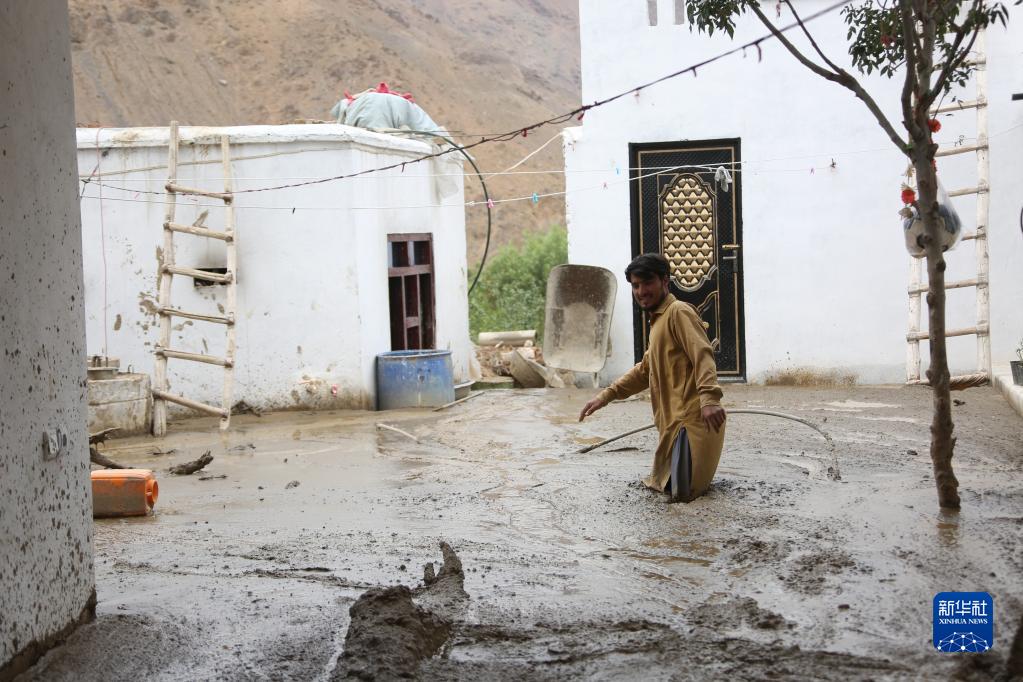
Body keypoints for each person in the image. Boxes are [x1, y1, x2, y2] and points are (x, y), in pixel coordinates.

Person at [579, 253, 726, 502]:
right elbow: (645, 370)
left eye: (647, 283)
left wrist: (710, 399)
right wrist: (606, 396)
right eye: (635, 285)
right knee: (669, 492)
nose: (641, 291)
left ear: (664, 281)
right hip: (672, 426)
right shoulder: (659, 321)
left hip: (690, 424)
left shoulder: (678, 312)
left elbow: (702, 354)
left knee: (684, 499)